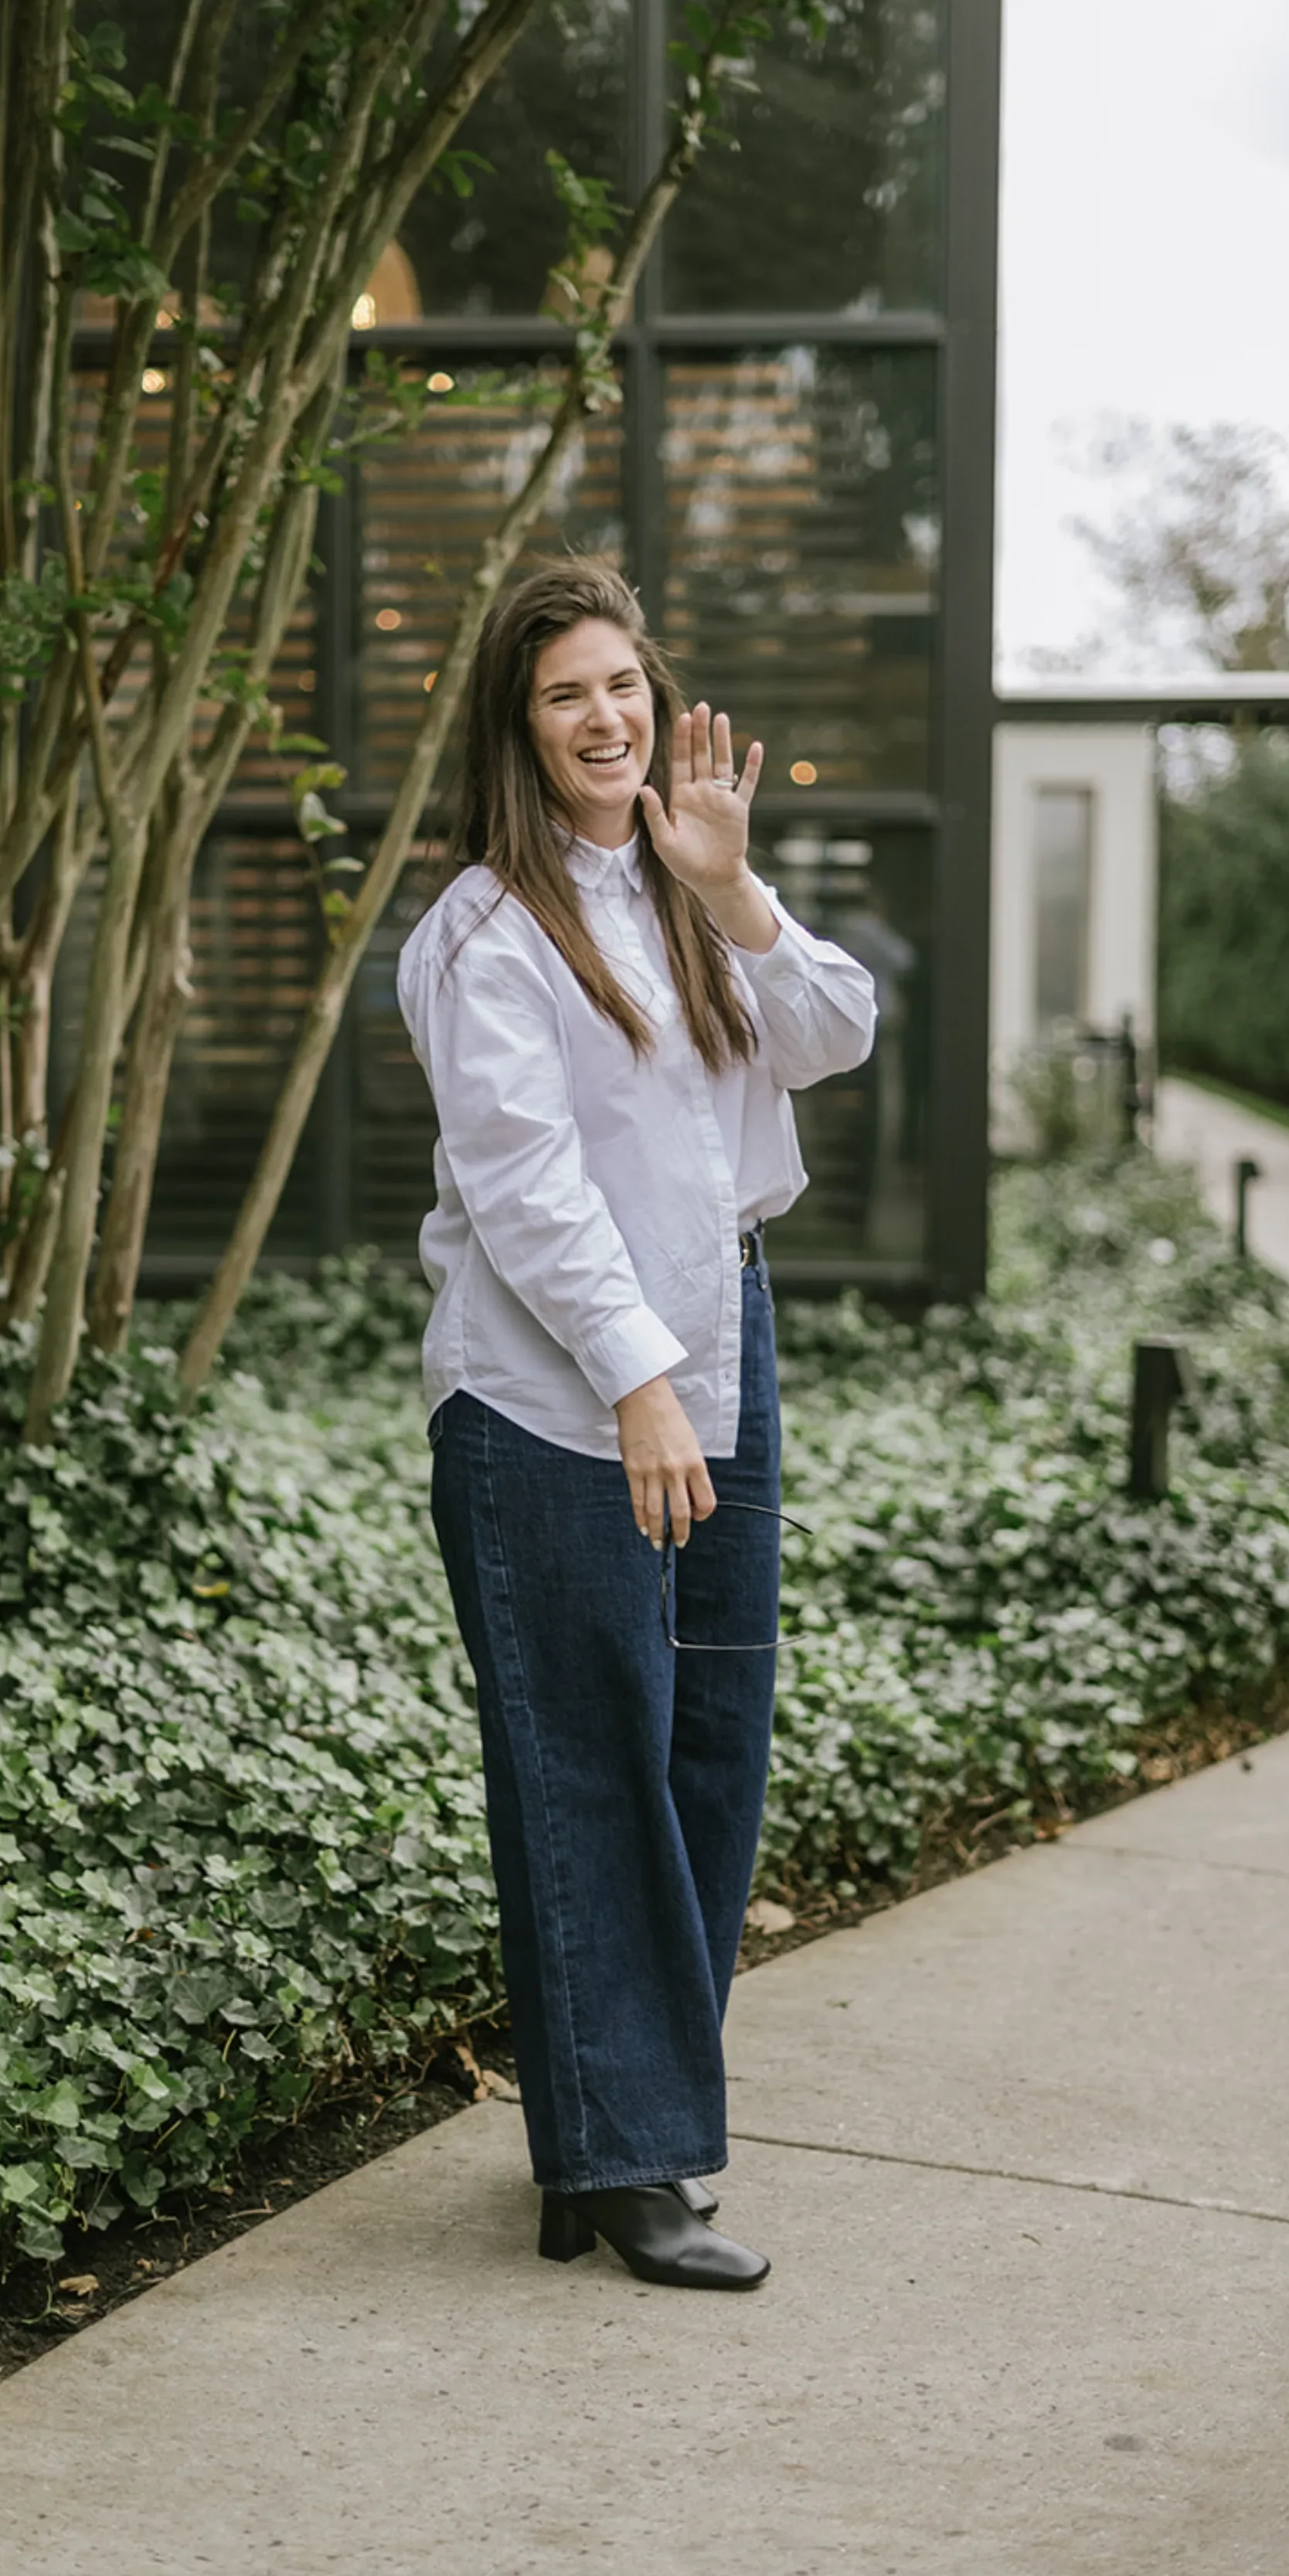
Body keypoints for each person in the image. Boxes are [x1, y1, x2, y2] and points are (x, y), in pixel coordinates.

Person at [396, 558, 876, 2290]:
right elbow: (522, 1188)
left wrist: (736, 886)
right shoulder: (478, 933)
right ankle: (624, 2162)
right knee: (588, 1756)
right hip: (551, 1389)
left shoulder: (684, 886)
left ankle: (605, 2132)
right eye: (565, 694)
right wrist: (634, 1377)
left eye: (623, 685)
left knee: (708, 1741)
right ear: (516, 730)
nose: (606, 718)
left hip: (716, 1333)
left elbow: (834, 1034)